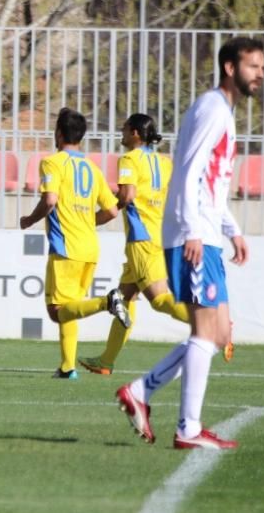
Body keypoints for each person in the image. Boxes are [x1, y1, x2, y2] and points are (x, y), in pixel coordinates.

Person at [116, 37, 262, 450]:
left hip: (208, 232)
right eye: (253, 66)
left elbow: (211, 184)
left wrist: (231, 228)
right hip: (193, 235)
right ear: (231, 68)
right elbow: (188, 169)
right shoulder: (213, 109)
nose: (260, 75)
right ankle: (188, 429)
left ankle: (142, 393)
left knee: (216, 334)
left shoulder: (222, 112)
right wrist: (193, 229)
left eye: (263, 67)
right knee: (205, 330)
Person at [19, 108, 128, 379]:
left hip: (66, 247)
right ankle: (67, 367)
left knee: (57, 312)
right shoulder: (92, 167)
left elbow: (50, 200)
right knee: (70, 307)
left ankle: (107, 302)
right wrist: (88, 222)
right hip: (89, 247)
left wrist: (30, 219)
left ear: (58, 133)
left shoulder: (52, 163)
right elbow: (113, 210)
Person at [78, 114, 187, 375]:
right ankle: (106, 361)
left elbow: (127, 195)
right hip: (160, 233)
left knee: (159, 300)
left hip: (142, 238)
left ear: (136, 133)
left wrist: (103, 213)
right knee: (125, 299)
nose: (122, 133)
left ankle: (214, 327)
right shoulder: (164, 162)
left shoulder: (128, 159)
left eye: (125, 129)